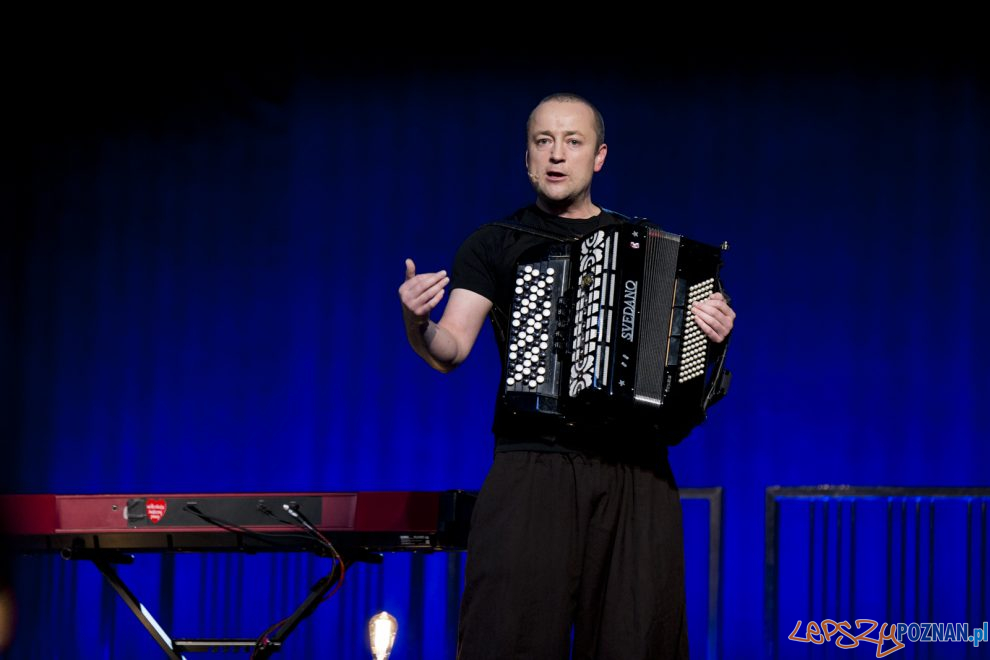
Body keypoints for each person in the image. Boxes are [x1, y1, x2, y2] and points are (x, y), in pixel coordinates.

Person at [398, 92, 735, 659]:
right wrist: (416, 323)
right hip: (535, 466)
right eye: (543, 142)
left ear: (598, 157)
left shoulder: (645, 245)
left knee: (638, 639)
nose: (557, 154)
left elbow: (684, 381)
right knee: (509, 634)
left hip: (635, 471)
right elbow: (450, 348)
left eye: (572, 142)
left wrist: (713, 335)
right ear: (527, 157)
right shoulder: (494, 244)